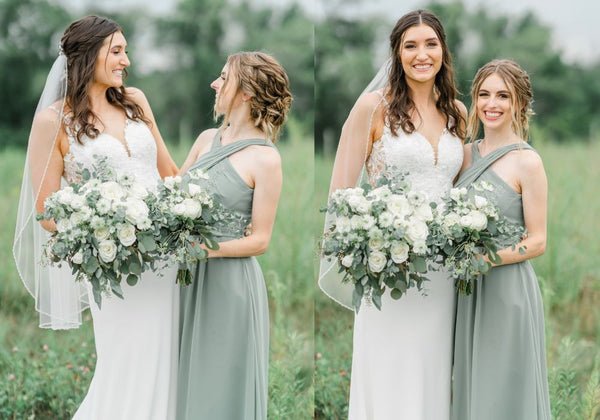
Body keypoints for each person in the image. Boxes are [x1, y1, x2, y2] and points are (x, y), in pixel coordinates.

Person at [12, 15, 180, 419]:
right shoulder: (53, 121)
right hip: (115, 266)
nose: (127, 61)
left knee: (169, 360)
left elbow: (170, 173)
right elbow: (48, 211)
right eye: (117, 51)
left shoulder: (135, 101)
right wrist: (108, 234)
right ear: (88, 55)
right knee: (125, 363)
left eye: (126, 50)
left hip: (167, 262)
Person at [318, 9, 467, 420]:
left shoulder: (458, 111)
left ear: (443, 51)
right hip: (390, 268)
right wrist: (364, 249)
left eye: (431, 44)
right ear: (397, 55)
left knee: (434, 373)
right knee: (388, 371)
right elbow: (341, 194)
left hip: (442, 274)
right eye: (411, 45)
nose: (422, 54)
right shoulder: (373, 107)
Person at [175, 51, 291, 419]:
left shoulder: (265, 159)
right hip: (186, 279)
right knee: (184, 377)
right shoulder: (206, 139)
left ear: (246, 91)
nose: (215, 83)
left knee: (221, 385)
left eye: (223, 77)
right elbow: (172, 196)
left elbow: (260, 240)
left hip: (230, 284)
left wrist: (204, 250)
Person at [451, 59, 551, 419]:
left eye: (503, 96)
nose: (492, 104)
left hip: (508, 290)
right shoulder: (461, 156)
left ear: (519, 104)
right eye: (484, 94)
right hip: (465, 291)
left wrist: (486, 259)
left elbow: (538, 241)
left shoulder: (528, 162)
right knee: (470, 386)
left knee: (504, 389)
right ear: (475, 100)